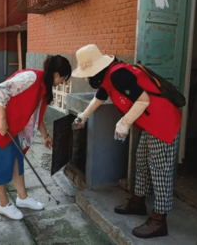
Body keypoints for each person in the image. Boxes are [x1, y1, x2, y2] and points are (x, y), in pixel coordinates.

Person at [72, 44, 182, 238]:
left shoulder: (118, 74)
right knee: (141, 160)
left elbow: (143, 99)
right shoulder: (109, 76)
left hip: (163, 122)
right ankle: (138, 202)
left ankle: (159, 220)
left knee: (160, 170)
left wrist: (125, 122)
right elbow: (99, 98)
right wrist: (84, 116)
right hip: (152, 123)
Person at [0, 55, 72, 220]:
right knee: (0, 164)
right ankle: (3, 204)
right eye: (63, 78)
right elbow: (1, 89)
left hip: (10, 128)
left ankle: (22, 198)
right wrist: (2, 120)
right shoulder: (32, 77)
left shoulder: (44, 85)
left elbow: (35, 114)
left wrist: (45, 136)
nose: (62, 82)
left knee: (17, 160)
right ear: (56, 74)